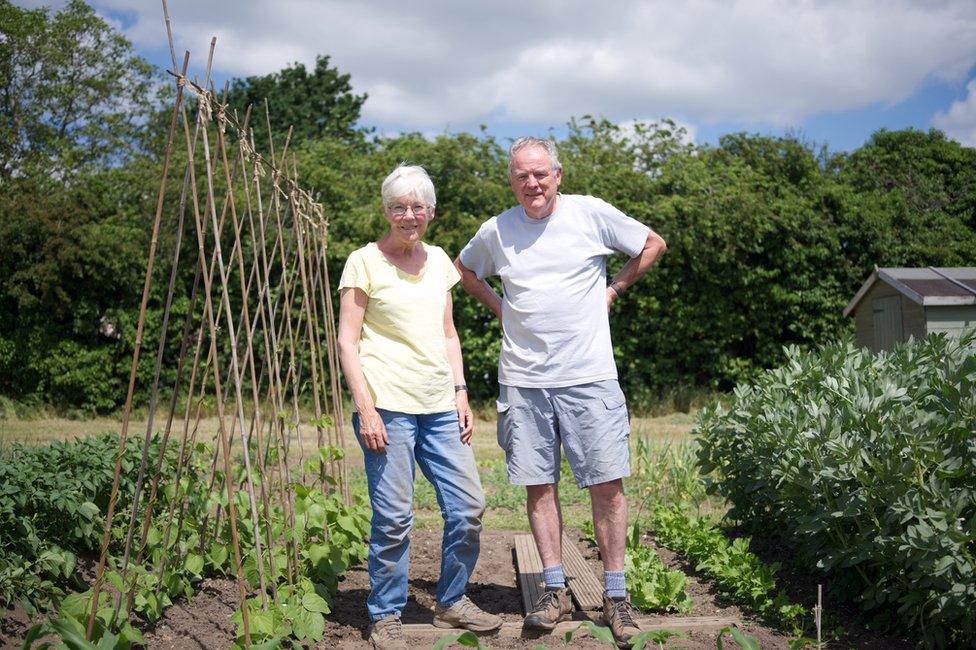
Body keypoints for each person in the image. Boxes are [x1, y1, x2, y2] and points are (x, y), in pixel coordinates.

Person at [455, 137, 667, 646]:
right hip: (524, 381)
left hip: (589, 376)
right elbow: (463, 270)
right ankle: (554, 590)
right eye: (522, 176)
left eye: (541, 174)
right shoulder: (496, 231)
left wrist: (612, 290)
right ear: (512, 180)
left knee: (607, 486)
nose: (532, 183)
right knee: (538, 486)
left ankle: (616, 596)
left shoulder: (590, 214)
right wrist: (501, 308)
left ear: (558, 174)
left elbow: (652, 243)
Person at [337, 164, 502, 650]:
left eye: (417, 207)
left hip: (439, 406)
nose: (409, 215)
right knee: (393, 517)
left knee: (469, 506)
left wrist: (461, 392)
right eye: (398, 207)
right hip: (387, 406)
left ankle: (450, 601)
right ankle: (386, 613)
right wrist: (365, 407)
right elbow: (348, 341)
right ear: (386, 212)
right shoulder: (364, 261)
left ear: (430, 211)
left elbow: (448, 332)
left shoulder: (441, 263)